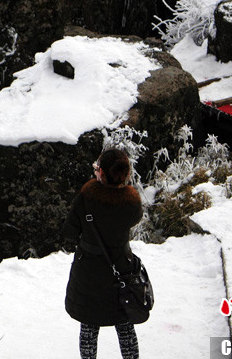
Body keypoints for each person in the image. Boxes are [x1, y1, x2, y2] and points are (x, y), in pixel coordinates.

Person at [63, 148, 143, 359]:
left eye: (97, 168)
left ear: (102, 173)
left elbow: (69, 231)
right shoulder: (131, 202)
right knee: (125, 325)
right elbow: (135, 218)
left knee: (89, 326)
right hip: (121, 271)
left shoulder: (86, 197)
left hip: (89, 271)